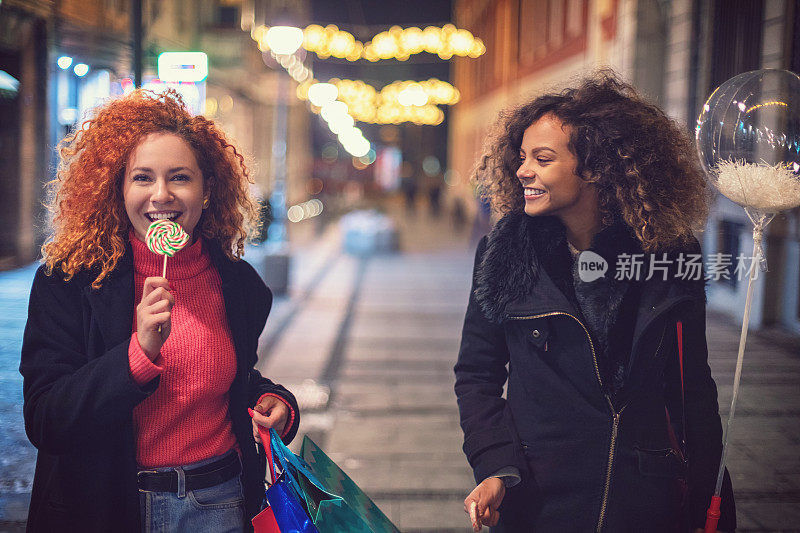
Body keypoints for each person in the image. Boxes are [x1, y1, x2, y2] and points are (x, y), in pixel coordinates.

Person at [454, 72, 736, 532]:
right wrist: (494, 466)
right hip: (540, 503)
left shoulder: (670, 254)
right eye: (522, 157)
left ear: (597, 168)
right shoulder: (504, 256)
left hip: (646, 502)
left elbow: (693, 388)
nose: (523, 170)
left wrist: (711, 496)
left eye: (542, 159)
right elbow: (476, 375)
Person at [20, 89, 299, 532]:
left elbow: (229, 380)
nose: (161, 195)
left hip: (221, 502)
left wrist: (274, 403)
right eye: (143, 178)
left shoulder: (238, 284)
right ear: (119, 188)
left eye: (180, 177)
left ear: (207, 190)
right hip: (110, 508)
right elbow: (46, 418)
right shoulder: (69, 282)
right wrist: (137, 355)